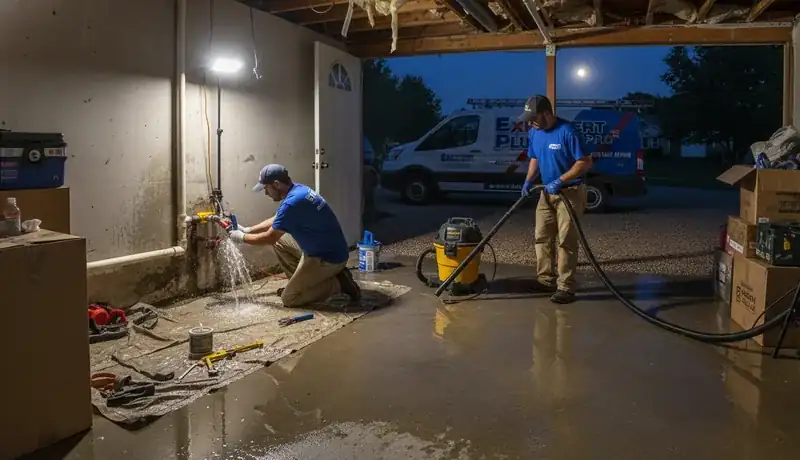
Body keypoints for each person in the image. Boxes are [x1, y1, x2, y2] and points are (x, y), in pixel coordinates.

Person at [227, 164, 361, 307]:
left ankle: (338, 284)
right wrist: (248, 230)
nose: (266, 193)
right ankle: (304, 285)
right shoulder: (298, 190)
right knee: (280, 242)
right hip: (326, 248)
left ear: (276, 184)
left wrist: (241, 238)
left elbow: (269, 237)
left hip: (328, 258)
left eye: (266, 188)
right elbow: (278, 219)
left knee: (289, 299)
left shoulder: (292, 203)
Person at [519, 95, 593, 304]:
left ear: (546, 113)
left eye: (534, 117)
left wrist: (561, 180)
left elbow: (585, 162)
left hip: (569, 192)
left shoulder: (567, 131)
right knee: (541, 237)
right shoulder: (535, 132)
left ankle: (566, 287)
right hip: (546, 192)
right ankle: (545, 281)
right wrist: (528, 181)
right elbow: (534, 157)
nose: (530, 122)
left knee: (566, 241)